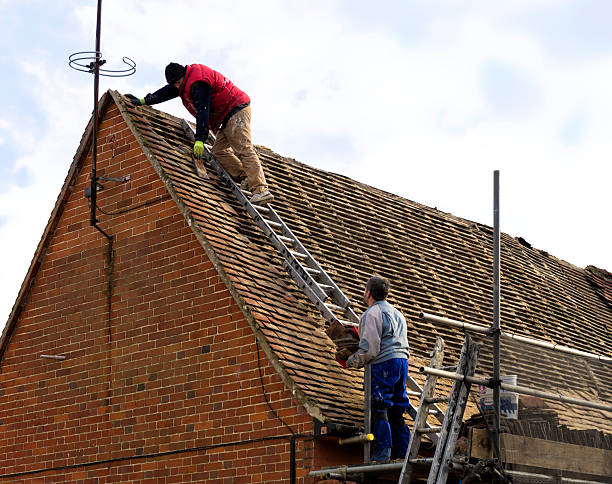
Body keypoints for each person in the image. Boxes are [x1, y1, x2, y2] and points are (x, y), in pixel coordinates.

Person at [126, 62, 273, 204]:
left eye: (177, 82)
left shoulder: (198, 83)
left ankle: (260, 189)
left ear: (183, 75)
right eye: (174, 84)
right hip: (226, 114)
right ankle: (245, 176)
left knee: (243, 148)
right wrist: (144, 100)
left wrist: (200, 139)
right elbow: (166, 92)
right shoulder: (184, 80)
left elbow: (203, 111)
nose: (177, 86)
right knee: (219, 151)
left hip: (236, 108)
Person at [344, 276, 411, 462]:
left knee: (379, 406)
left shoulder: (372, 314)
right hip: (402, 362)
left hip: (384, 364)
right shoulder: (398, 313)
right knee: (397, 409)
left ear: (368, 293)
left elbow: (370, 348)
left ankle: (382, 453)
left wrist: (352, 361)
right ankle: (403, 454)